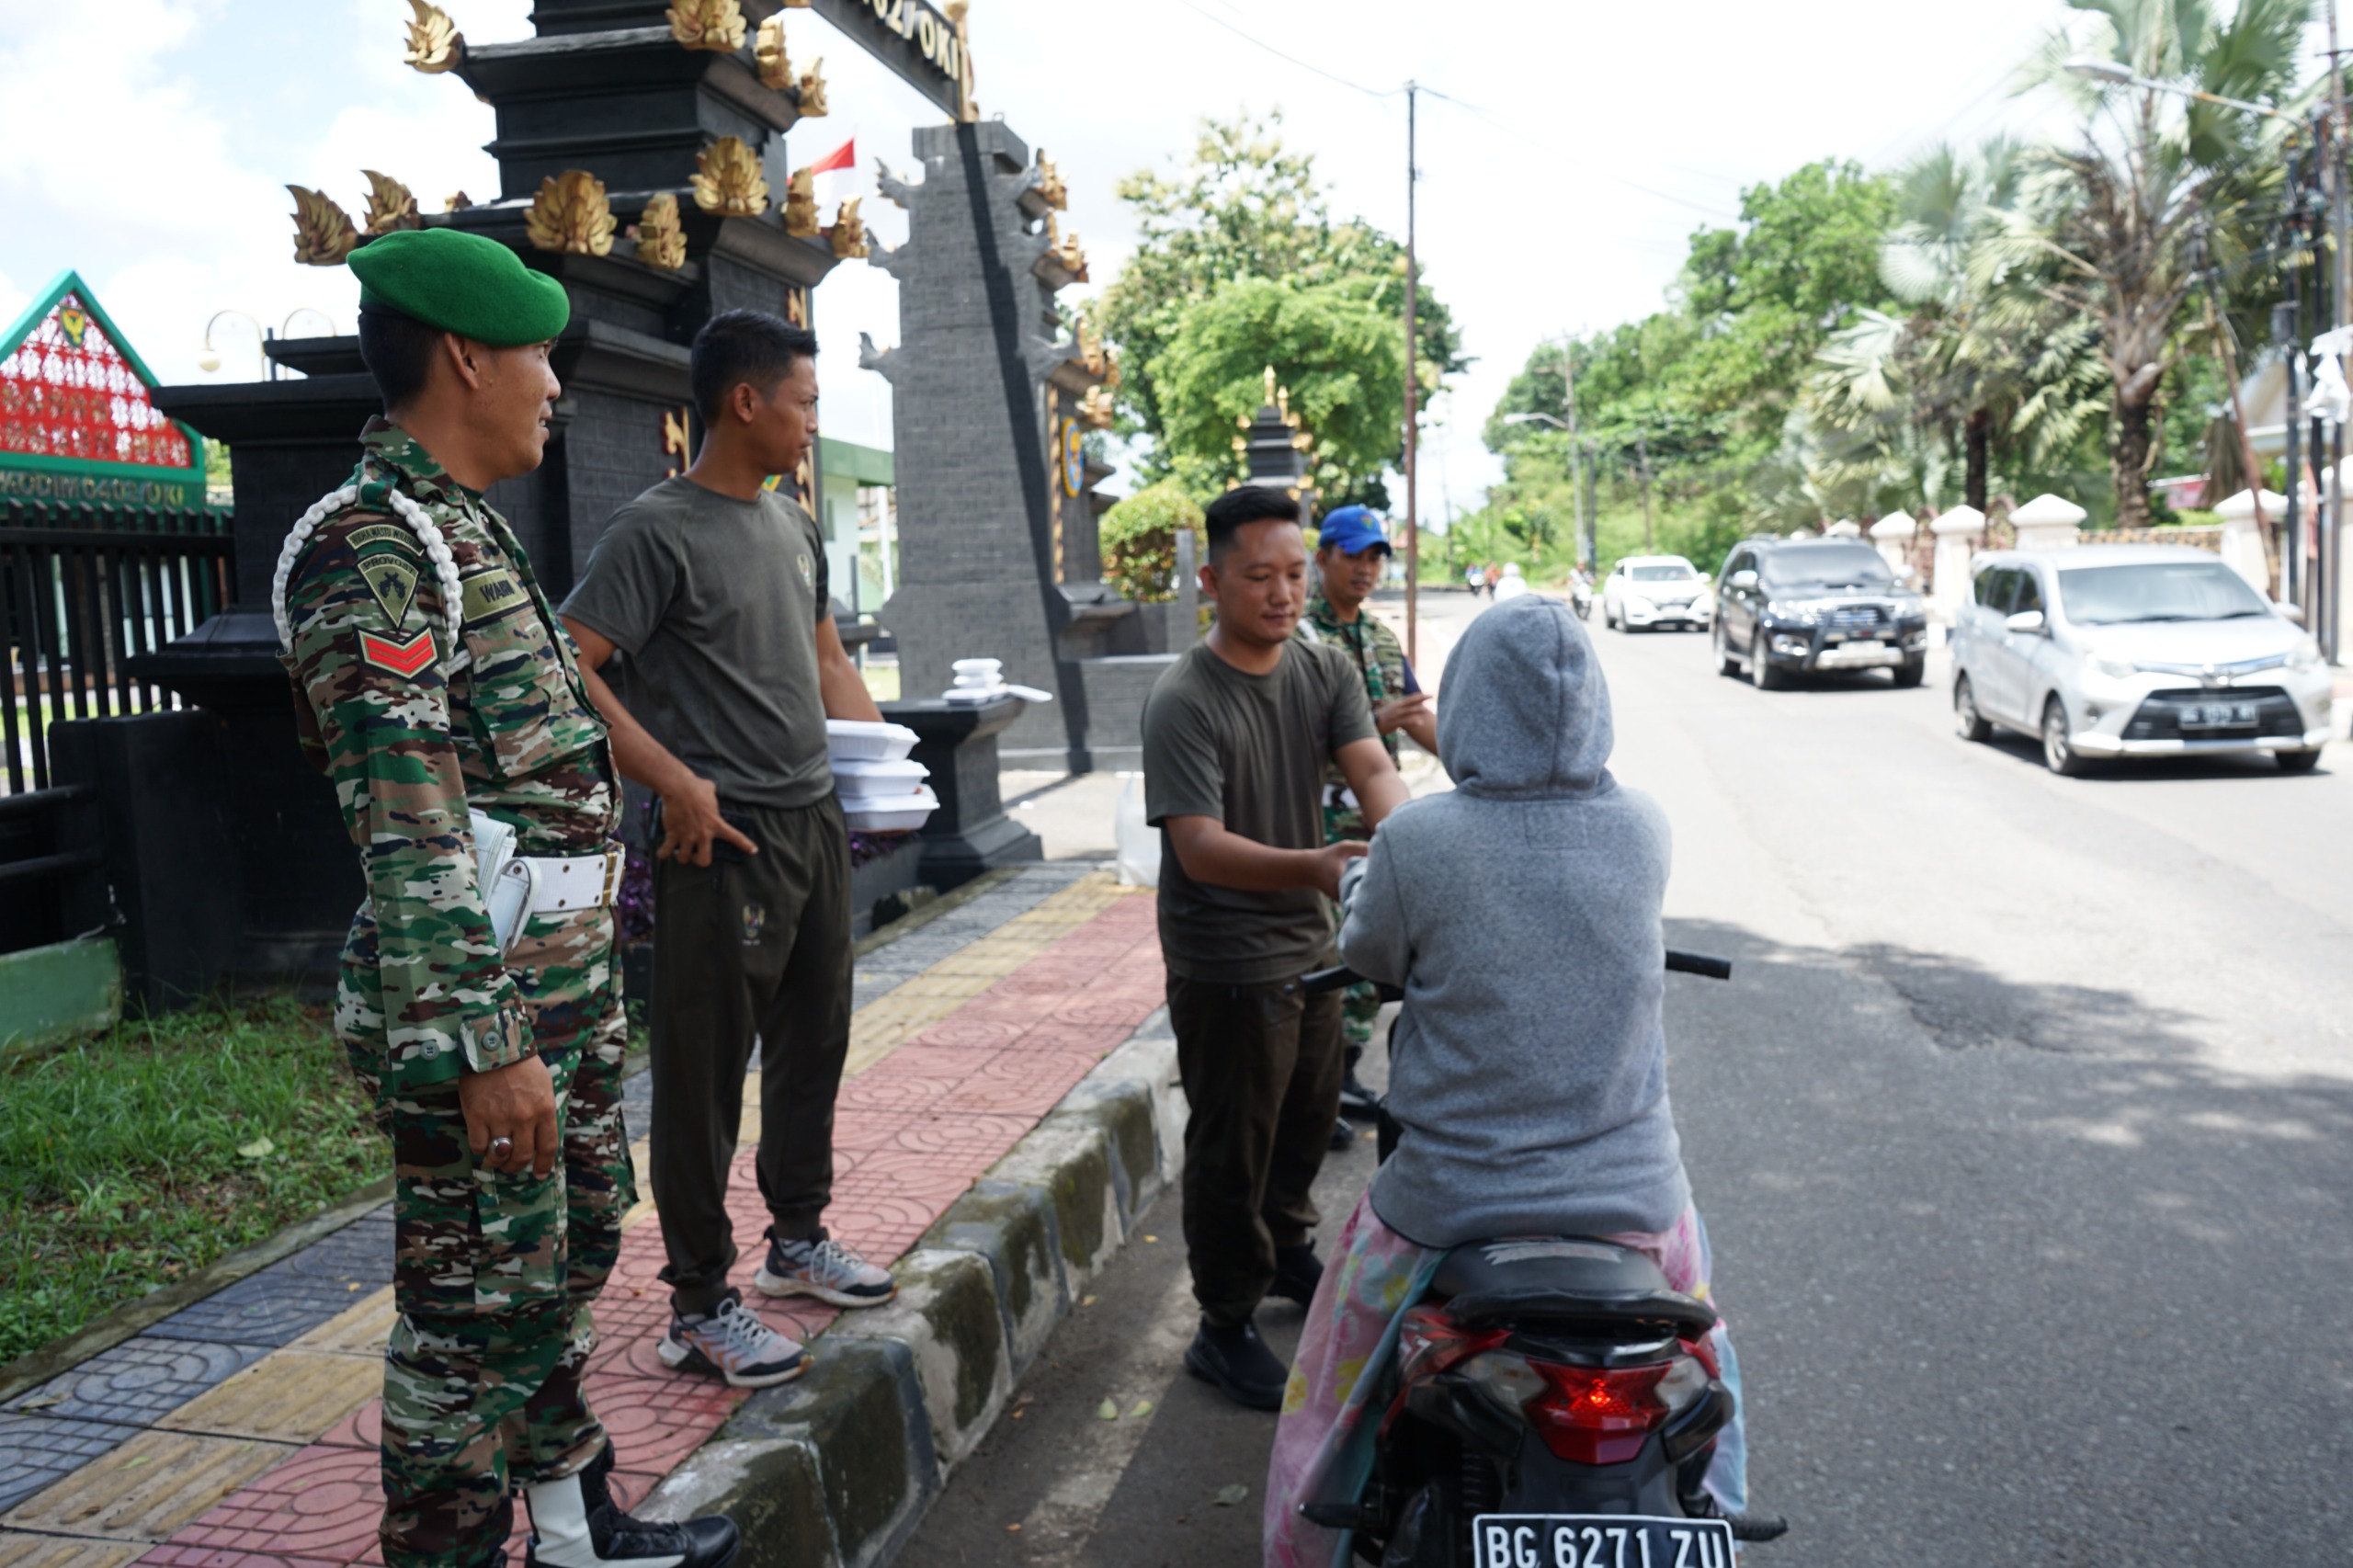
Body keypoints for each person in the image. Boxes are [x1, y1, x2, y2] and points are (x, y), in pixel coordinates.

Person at [278, 226, 736, 1568]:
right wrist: (484, 1048)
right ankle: (448, 1541)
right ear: (466, 356)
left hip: (552, 975)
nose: (557, 383)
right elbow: (407, 823)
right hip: (473, 1001)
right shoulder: (371, 549)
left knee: (559, 1248)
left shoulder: (460, 521)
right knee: (470, 1294)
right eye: (539, 352)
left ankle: (570, 1513)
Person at [1262, 595, 1775, 1564]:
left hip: (1447, 1203)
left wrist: (1362, 878)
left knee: (1332, 1398)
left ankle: (1301, 1545)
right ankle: (1719, 1525)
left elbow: (1370, 947)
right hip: (1634, 1203)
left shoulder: (1419, 842)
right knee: (1710, 1373)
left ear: (1465, 705)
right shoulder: (1642, 827)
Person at [559, 311, 895, 1392]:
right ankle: (699, 1303)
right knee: (703, 1075)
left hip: (812, 822)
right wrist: (671, 781)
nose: (810, 422)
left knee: (817, 1040)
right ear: (744, 401)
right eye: (802, 401)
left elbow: (823, 649)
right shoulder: (654, 530)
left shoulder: (792, 525)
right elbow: (573, 662)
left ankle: (797, 1237)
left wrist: (886, 766)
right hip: (722, 835)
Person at [1140, 484, 1412, 1412]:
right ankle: (1222, 1321)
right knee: (1233, 1145)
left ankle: (1288, 1248)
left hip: (1311, 942)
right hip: (1227, 960)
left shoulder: (1324, 665)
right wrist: (1319, 864)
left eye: (1295, 573)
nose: (1283, 593)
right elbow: (1198, 846)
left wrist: (1417, 846)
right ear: (1211, 580)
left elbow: (1370, 763)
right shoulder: (1183, 697)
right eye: (1259, 576)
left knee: (1307, 1117)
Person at [1294, 505, 1437, 1145]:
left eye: (1376, 556)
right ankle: (1315, 1095)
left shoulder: (1379, 637)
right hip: (1317, 824)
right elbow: (1285, 738)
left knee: (1370, 963)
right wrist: (1369, 725)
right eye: (1353, 555)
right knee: (1323, 960)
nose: (1367, 568)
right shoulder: (1297, 640)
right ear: (1321, 557)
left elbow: (1417, 718)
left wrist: (1484, 759)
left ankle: (1341, 1081)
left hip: (1379, 827)